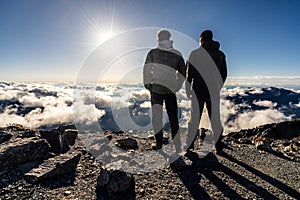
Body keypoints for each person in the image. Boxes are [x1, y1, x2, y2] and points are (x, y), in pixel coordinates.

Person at [143, 30, 186, 154]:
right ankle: (177, 146)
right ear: (169, 38)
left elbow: (147, 70)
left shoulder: (153, 53)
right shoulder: (177, 54)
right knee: (173, 117)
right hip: (171, 89)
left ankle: (159, 144)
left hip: (156, 89)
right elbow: (183, 72)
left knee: (157, 117)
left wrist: (148, 85)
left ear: (158, 39)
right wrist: (178, 85)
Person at [185, 30, 227, 154]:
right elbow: (223, 74)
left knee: (194, 119)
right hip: (213, 92)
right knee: (215, 119)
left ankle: (190, 145)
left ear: (201, 39)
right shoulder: (220, 55)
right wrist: (217, 86)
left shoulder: (195, 53)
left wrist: (188, 89)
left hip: (198, 90)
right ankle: (218, 146)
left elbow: (189, 74)